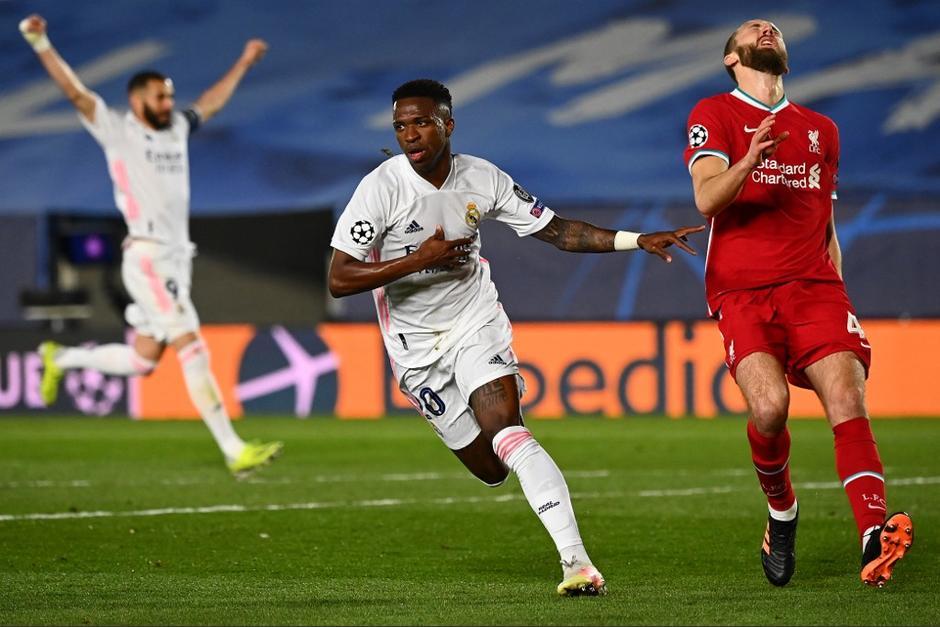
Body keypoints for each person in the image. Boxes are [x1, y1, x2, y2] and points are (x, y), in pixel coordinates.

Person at [329, 78, 704, 596]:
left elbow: (558, 231)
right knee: (490, 469)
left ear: (447, 124)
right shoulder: (380, 188)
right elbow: (339, 278)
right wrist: (420, 259)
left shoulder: (481, 178)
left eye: (420, 123)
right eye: (400, 126)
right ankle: (494, 415)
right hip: (414, 350)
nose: (409, 135)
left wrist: (635, 239)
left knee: (507, 429)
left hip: (474, 321)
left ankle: (577, 564)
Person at [683, 19, 913, 587]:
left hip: (814, 289)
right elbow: (709, 198)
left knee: (846, 395)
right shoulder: (713, 114)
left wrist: (836, 291)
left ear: (785, 53)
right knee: (768, 409)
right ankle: (782, 513)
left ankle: (872, 535)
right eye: (751, 29)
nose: (765, 28)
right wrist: (750, 159)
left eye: (773, 28)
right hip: (741, 291)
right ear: (730, 58)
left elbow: (825, 222)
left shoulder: (821, 129)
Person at [19, 14, 283, 477]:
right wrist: (40, 41)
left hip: (175, 258)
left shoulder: (177, 128)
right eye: (160, 96)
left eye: (170, 95)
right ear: (136, 99)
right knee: (191, 342)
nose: (168, 102)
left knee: (144, 361)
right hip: (148, 256)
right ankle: (232, 449)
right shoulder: (117, 130)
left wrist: (243, 62)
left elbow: (210, 104)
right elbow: (76, 92)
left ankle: (60, 357)